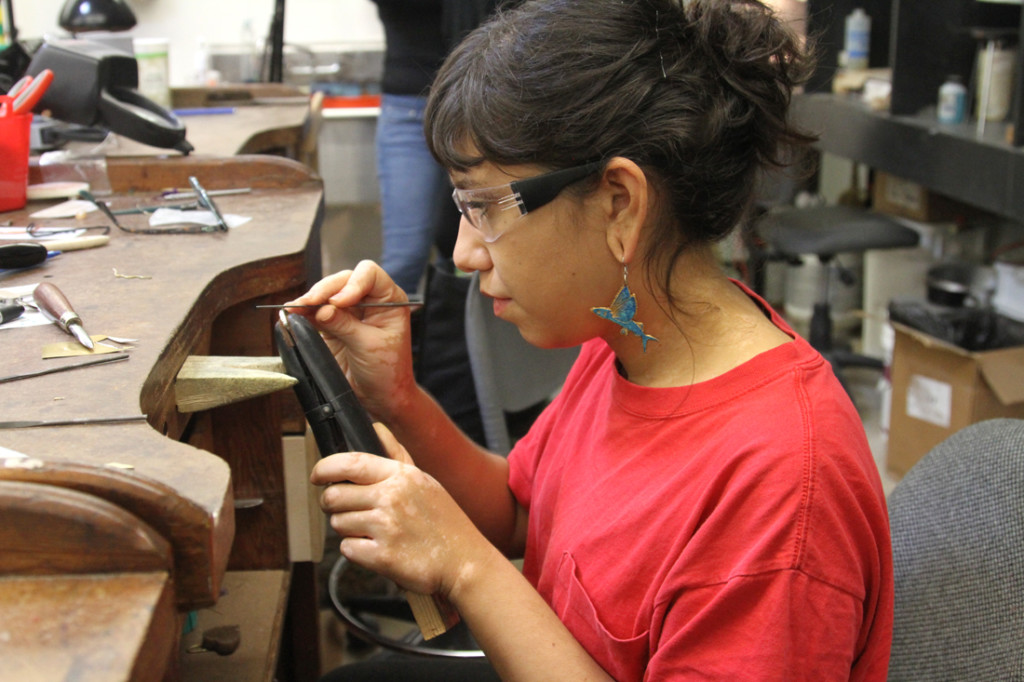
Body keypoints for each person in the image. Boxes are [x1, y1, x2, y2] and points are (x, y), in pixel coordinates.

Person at [293, 0, 894, 679]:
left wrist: (461, 564)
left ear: (619, 204)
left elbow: (487, 548)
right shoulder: (631, 338)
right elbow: (522, 512)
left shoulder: (780, 489)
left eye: (483, 207)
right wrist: (399, 397)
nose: (465, 254)